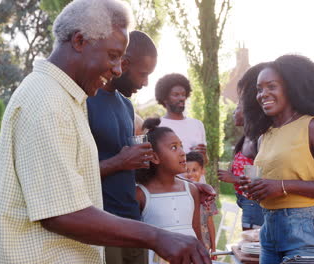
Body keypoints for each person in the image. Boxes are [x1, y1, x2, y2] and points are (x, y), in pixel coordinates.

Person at [0, 1, 211, 263]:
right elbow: (62, 214)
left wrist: (186, 188)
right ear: (79, 41)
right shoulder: (48, 102)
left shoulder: (66, 98)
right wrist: (159, 237)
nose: (117, 69)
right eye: (113, 55)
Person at [86, 30, 215, 264]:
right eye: (143, 74)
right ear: (124, 64)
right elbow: (72, 174)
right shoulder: (87, 101)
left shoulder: (125, 106)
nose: (145, 83)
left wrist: (188, 186)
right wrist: (120, 162)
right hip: (102, 225)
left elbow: (142, 169)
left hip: (134, 224)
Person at [240, 55, 314, 264]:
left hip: (304, 231)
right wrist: (258, 189)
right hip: (268, 230)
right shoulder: (265, 136)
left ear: (291, 88)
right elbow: (272, 183)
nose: (263, 94)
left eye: (271, 86)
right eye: (259, 89)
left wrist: (282, 186)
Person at [135, 118, 202, 264]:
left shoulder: (191, 190)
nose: (183, 153)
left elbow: (196, 230)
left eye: (181, 146)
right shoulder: (141, 194)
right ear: (155, 157)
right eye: (173, 148)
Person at [217, 64, 267, 230]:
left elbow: (257, 179)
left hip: (253, 204)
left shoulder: (256, 139)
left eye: (238, 107)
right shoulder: (245, 138)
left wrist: (233, 179)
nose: (234, 112)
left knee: (251, 246)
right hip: (244, 199)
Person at [155, 73, 208, 182]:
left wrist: (203, 155)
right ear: (165, 98)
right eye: (176, 94)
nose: (181, 98)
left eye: (183, 94)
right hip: (173, 187)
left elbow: (204, 162)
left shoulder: (197, 124)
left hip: (198, 187)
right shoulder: (158, 126)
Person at [186, 151, 218, 258]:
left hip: (204, 246)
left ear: (202, 171)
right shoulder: (181, 193)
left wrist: (213, 248)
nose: (190, 174)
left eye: (194, 170)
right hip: (186, 246)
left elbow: (210, 223)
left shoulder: (208, 193)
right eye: (187, 170)